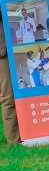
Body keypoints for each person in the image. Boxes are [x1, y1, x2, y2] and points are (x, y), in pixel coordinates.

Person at [0, 13, 20, 143]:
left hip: (11, 46)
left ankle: (29, 133)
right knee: (8, 97)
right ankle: (14, 139)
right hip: (2, 52)